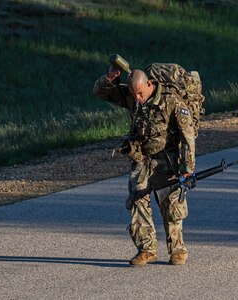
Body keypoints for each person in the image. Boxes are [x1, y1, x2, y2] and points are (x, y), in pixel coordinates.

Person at [93, 61, 197, 266]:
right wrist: (109, 79)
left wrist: (187, 167)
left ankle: (177, 249)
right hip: (141, 158)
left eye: (140, 93)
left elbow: (188, 136)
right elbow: (100, 93)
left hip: (167, 159)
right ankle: (147, 249)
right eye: (134, 95)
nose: (138, 99)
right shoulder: (133, 98)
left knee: (170, 204)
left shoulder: (172, 102)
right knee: (137, 199)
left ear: (149, 84)